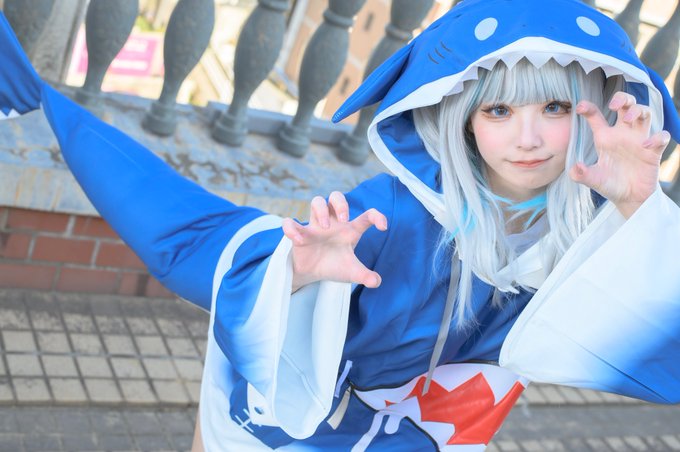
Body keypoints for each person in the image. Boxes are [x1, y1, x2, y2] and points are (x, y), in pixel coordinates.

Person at [1, 0, 679, 450]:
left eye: (554, 108)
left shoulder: (594, 218)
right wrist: (294, 276)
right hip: (301, 417)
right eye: (499, 111)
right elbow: (192, 237)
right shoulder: (388, 212)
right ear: (461, 118)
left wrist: (636, 208)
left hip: (432, 426)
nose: (528, 138)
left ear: (593, 109)